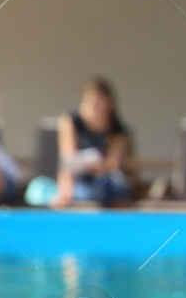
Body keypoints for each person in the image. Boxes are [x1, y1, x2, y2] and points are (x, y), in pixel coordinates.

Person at [54, 77, 130, 206]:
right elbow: (67, 161)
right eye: (90, 102)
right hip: (79, 179)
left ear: (109, 104)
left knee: (119, 187)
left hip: (105, 178)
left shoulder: (118, 129)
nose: (95, 108)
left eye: (99, 103)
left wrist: (101, 166)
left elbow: (114, 164)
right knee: (86, 194)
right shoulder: (70, 121)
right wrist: (65, 192)